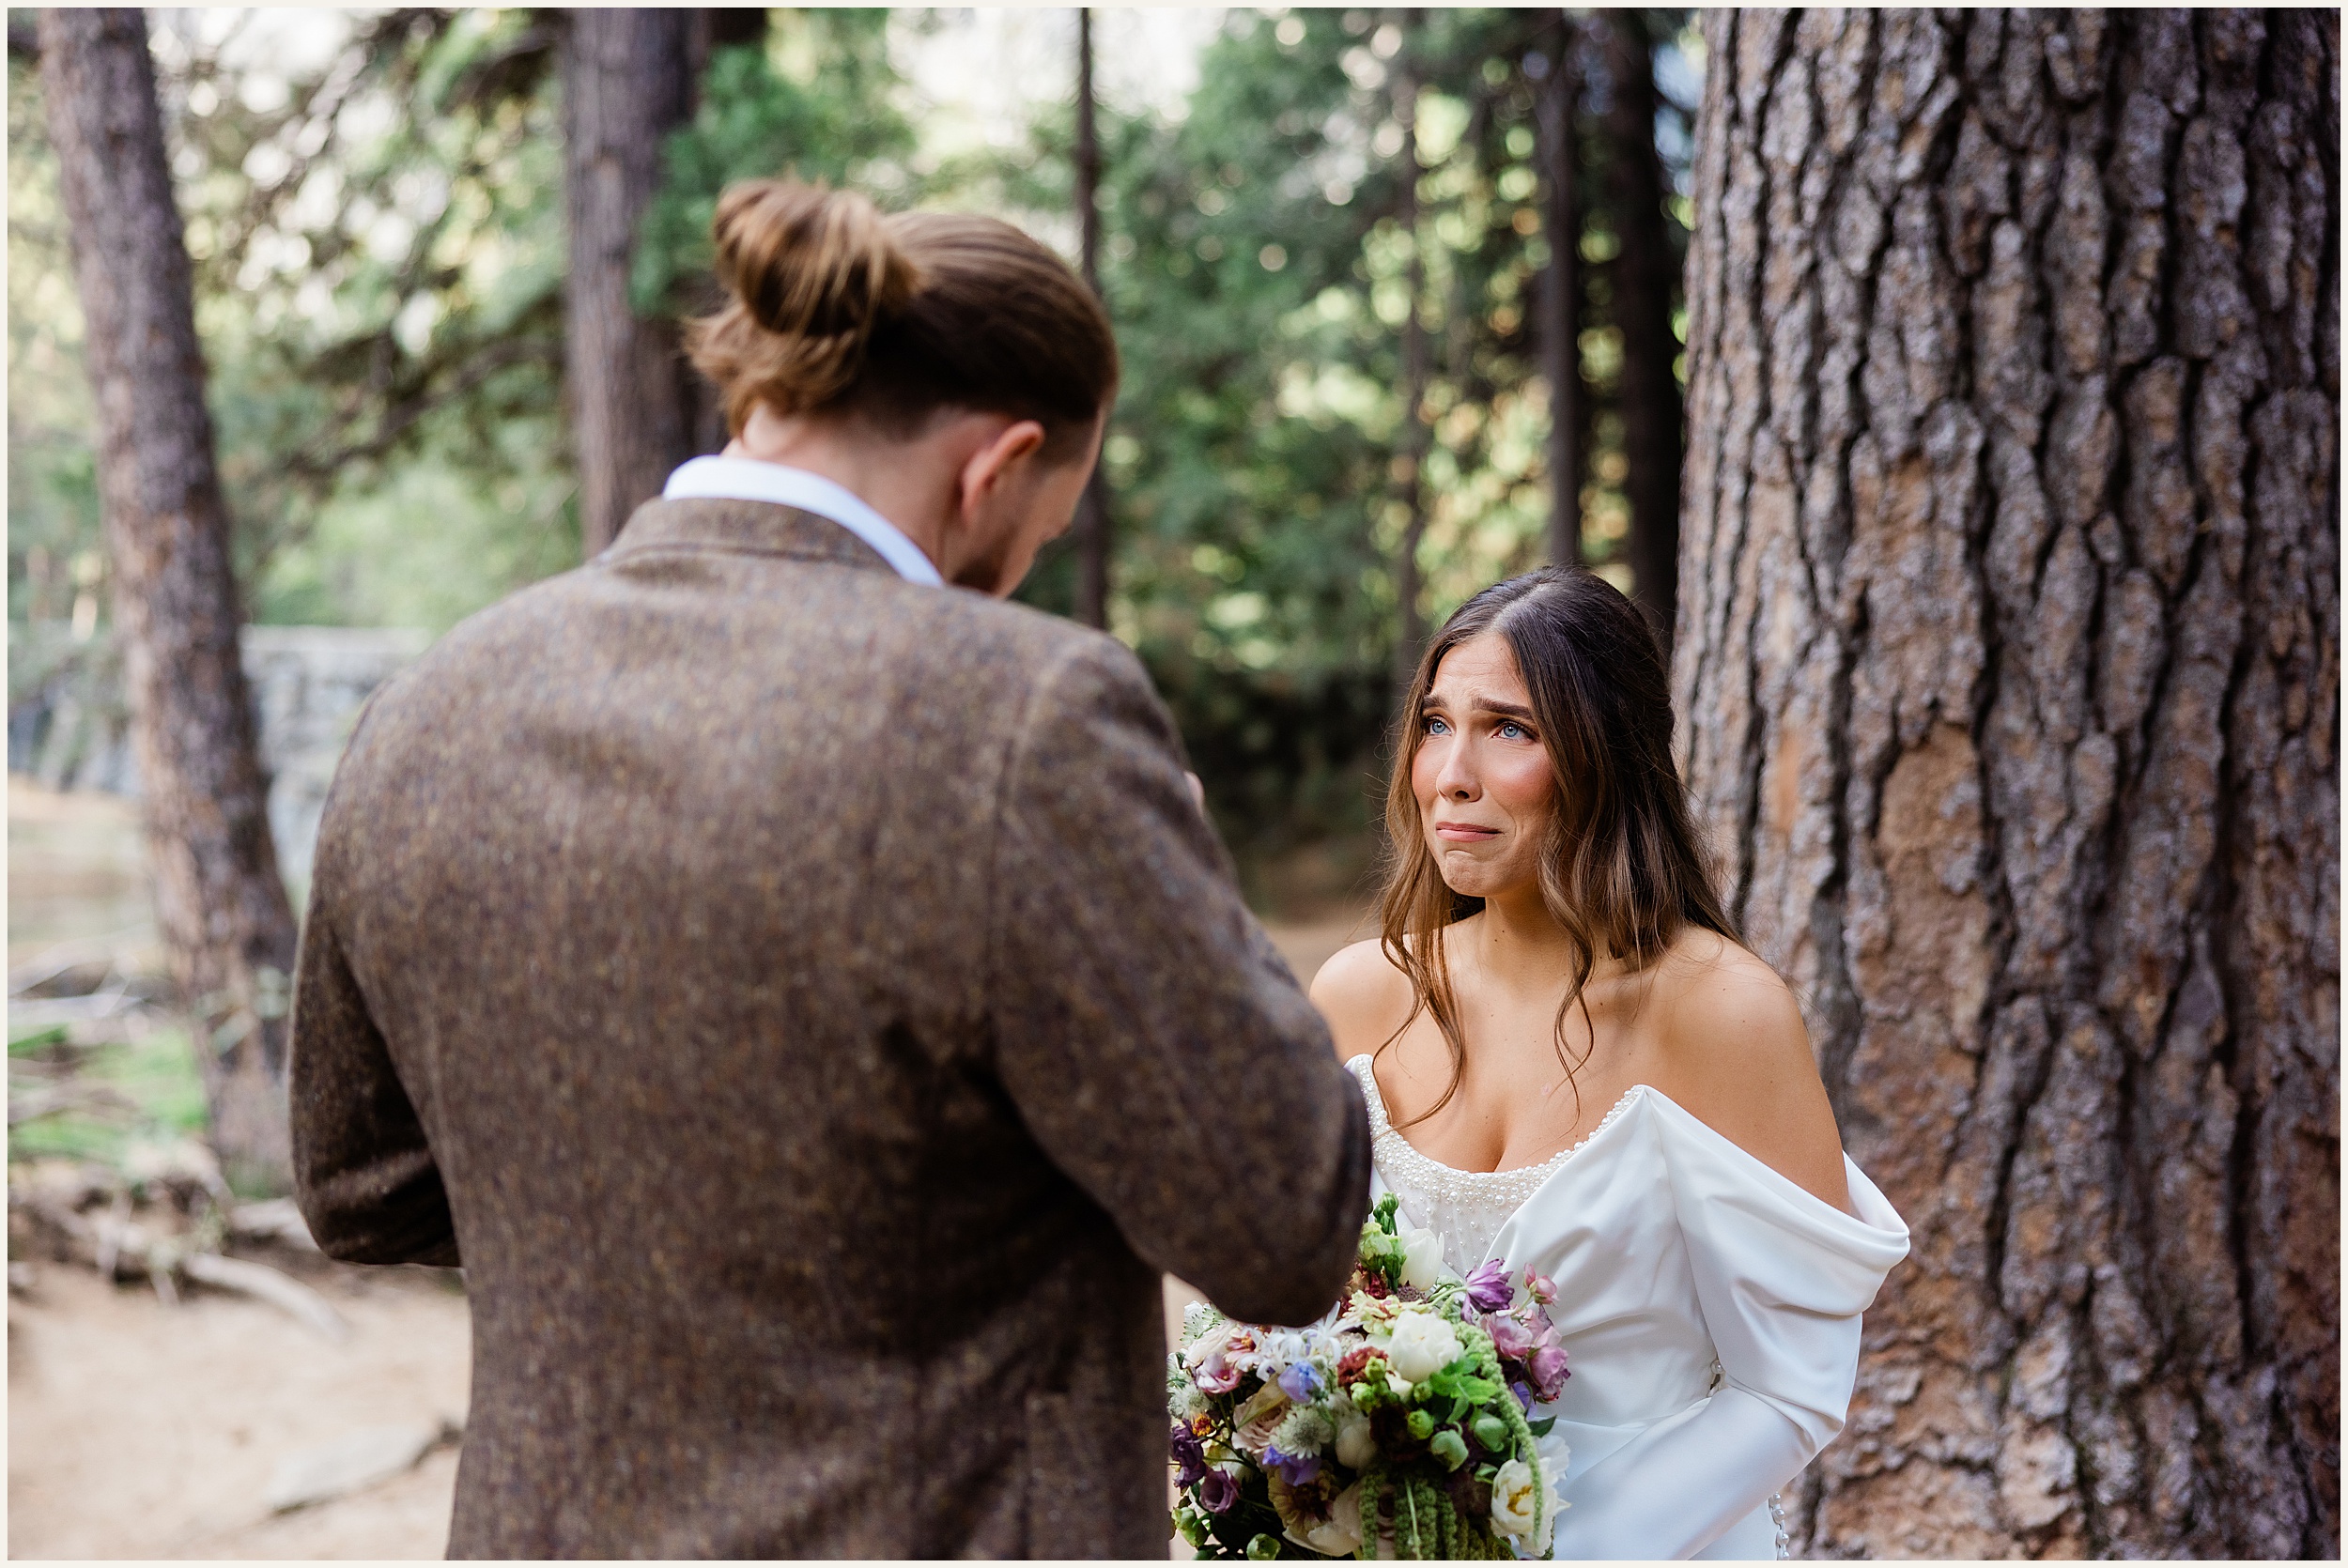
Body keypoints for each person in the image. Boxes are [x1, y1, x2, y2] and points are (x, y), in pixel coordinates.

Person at [287, 180, 1370, 1558]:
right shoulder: (1020, 723)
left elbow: (359, 1184)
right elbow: (1281, 1220)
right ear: (998, 465)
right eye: (1042, 532)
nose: (1020, 578)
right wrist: (1181, 897)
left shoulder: (427, 710)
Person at [1311, 567, 1909, 1560]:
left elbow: (1790, 1387)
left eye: (1509, 728)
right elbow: (1294, 1311)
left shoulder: (1722, 1012)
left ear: (1604, 755)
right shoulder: (1359, 995)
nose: (1449, 772)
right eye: (1434, 722)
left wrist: (1540, 1551)